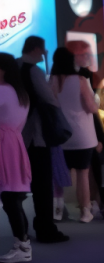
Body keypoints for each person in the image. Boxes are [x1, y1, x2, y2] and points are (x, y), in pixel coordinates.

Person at [18, 36, 69, 243]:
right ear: (36, 49)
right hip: (37, 135)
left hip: (18, 134)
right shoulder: (34, 71)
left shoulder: (15, 67)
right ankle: (46, 228)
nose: (44, 53)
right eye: (43, 49)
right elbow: (49, 99)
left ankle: (21, 228)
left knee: (18, 185)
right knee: (42, 184)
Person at [49, 47, 100, 224]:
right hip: (82, 136)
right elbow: (91, 107)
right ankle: (85, 212)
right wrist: (96, 102)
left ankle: (57, 211)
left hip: (60, 136)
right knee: (83, 174)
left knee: (58, 175)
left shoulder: (51, 81)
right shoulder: (80, 80)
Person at [0, 53, 34, 263]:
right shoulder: (21, 93)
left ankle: (22, 245)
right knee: (14, 196)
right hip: (15, 144)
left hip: (5, 145)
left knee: (10, 198)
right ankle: (22, 243)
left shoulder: (3, 90)